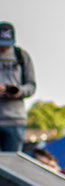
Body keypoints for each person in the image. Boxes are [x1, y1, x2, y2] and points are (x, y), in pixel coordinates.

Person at [0, 22, 35, 153]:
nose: (4, 48)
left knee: (13, 162)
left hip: (15, 120)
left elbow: (31, 85)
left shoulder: (21, 56)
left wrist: (18, 91)